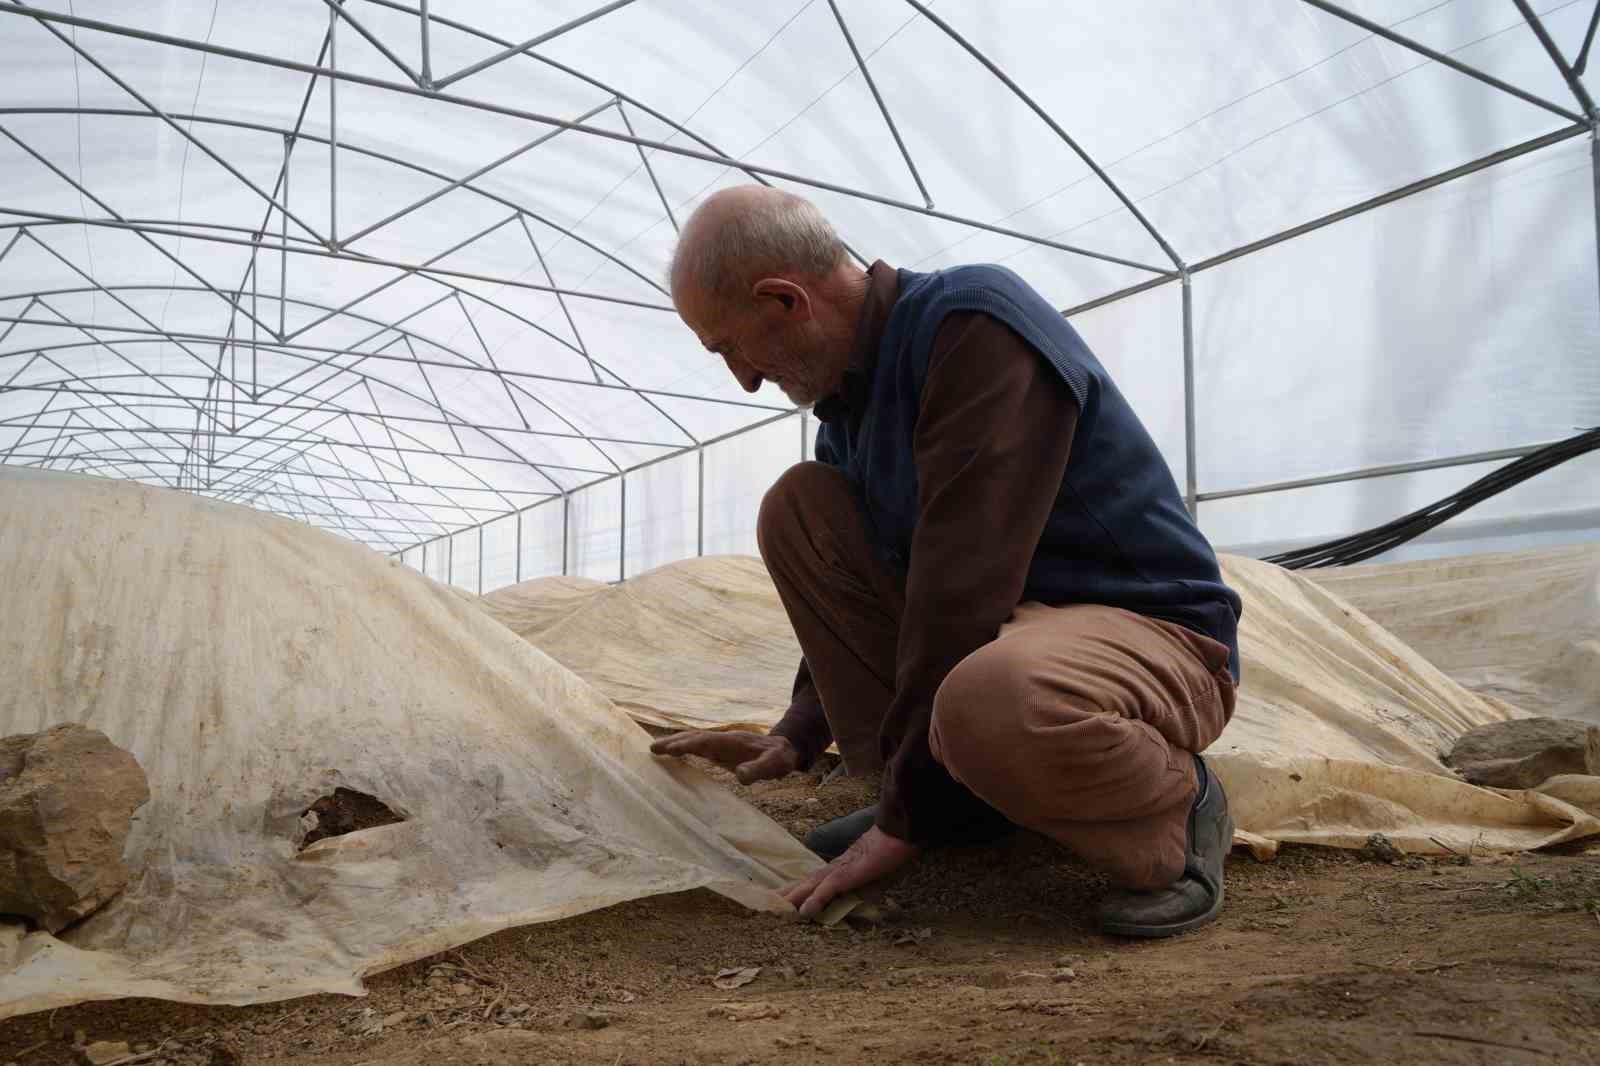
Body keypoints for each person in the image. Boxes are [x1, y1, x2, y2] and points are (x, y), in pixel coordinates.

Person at [650, 185, 1243, 938]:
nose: (744, 378)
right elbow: (881, 579)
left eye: (728, 347)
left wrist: (903, 818)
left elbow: (960, 583)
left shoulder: (972, 325)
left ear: (784, 300)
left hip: (1144, 633)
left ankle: (1178, 810)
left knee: (993, 700)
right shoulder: (850, 408)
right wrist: (796, 732)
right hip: (1007, 635)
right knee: (801, 506)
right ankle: (966, 803)